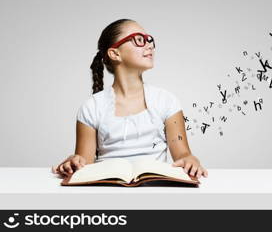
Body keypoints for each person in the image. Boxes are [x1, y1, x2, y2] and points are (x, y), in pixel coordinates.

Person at [51, 19, 208, 180]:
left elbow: (183, 154)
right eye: (139, 39)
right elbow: (84, 163)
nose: (149, 45)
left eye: (149, 40)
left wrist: (190, 159)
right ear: (115, 53)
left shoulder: (167, 101)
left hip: (154, 187)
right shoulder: (91, 107)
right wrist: (74, 162)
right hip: (108, 188)